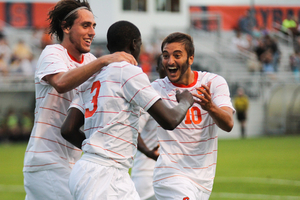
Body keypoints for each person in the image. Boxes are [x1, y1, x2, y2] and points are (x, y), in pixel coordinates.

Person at [60, 20, 194, 200]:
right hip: (106, 176)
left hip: (87, 169)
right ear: (134, 44)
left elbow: (68, 129)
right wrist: (185, 101)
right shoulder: (128, 71)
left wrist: (95, 149)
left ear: (109, 46)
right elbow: (169, 120)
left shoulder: (91, 74)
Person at [23, 1, 137, 200]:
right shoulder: (53, 53)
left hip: (75, 163)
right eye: (85, 25)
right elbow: (61, 82)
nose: (92, 32)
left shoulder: (91, 61)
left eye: (93, 26)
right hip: (47, 161)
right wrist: (104, 60)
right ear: (66, 27)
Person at [148, 32, 235, 200]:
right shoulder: (155, 89)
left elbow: (228, 124)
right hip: (170, 176)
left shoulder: (213, 82)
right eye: (166, 56)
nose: (170, 61)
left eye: (177, 55)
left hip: (203, 178)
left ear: (190, 59)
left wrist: (210, 107)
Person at [131, 55, 167, 200]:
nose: (170, 65)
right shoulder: (149, 94)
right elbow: (133, 130)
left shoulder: (179, 96)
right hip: (147, 176)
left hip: (169, 175)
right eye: (165, 63)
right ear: (157, 68)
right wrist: (148, 152)